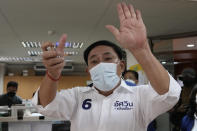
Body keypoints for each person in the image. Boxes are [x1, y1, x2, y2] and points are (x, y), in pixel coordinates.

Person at [32, 3, 181, 131]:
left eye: (108, 58)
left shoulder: (139, 95)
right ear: (88, 70)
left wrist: (142, 50)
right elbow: (46, 105)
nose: (101, 64)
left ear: (121, 66)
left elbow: (169, 95)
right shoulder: (77, 96)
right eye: (94, 61)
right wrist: (52, 74)